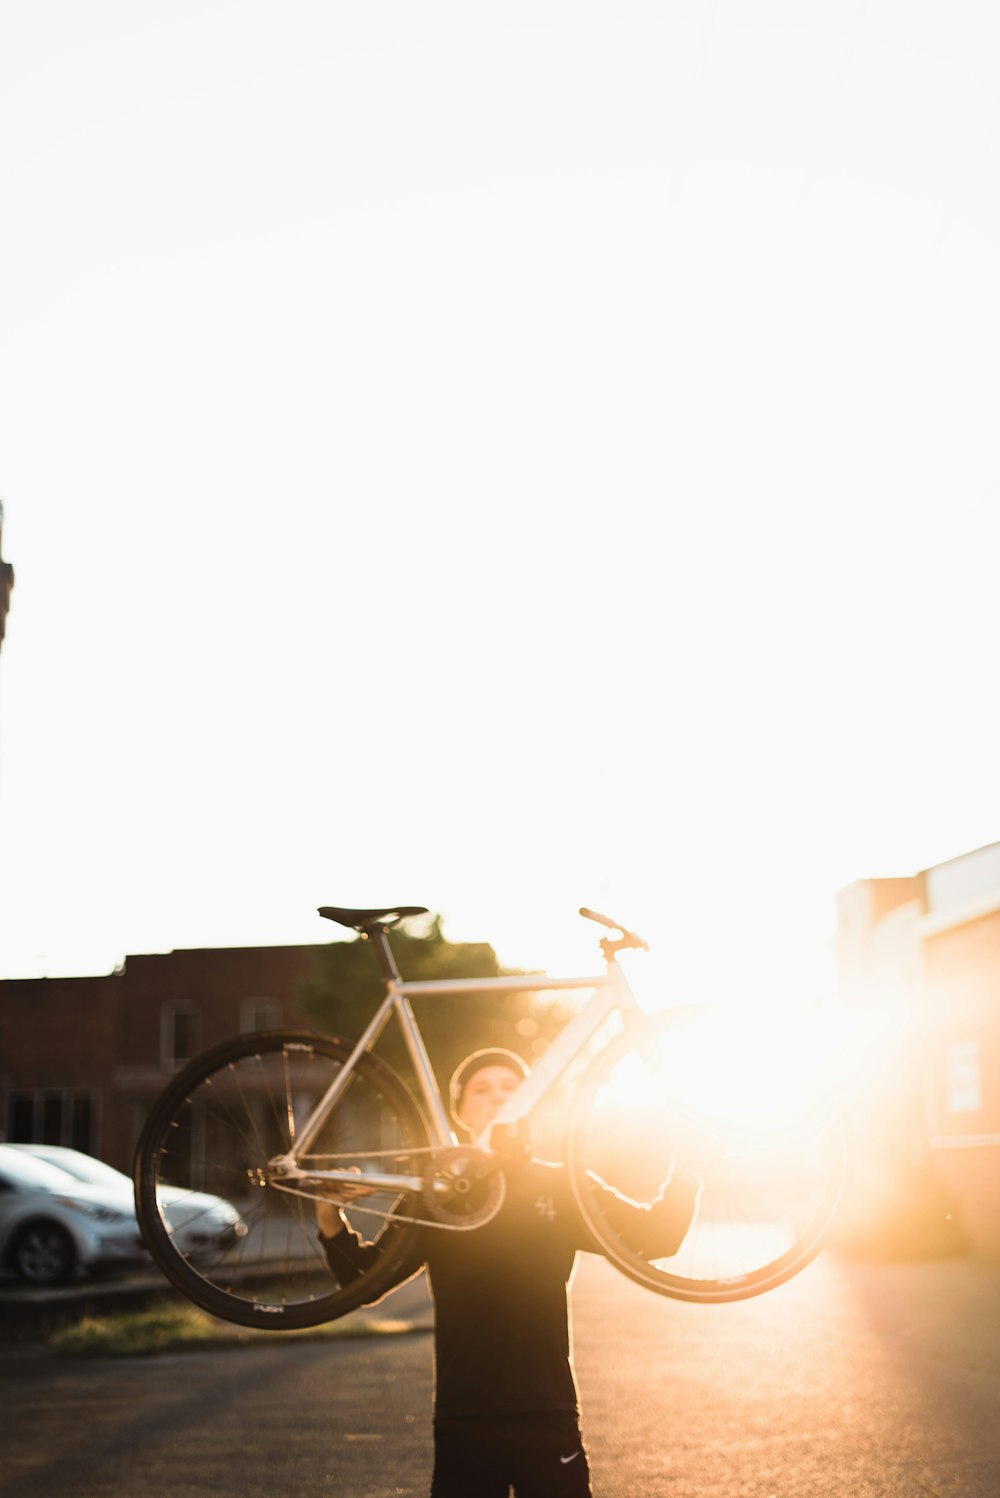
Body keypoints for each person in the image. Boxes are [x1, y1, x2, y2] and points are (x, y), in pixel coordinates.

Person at [316, 1047, 699, 1498]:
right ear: (462, 1113)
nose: (497, 1096)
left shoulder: (564, 1184)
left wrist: (689, 1168)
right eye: (482, 1090)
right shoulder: (437, 1191)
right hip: (465, 1416)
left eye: (511, 1087)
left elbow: (655, 1238)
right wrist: (330, 1220)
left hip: (547, 1407)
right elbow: (367, 1281)